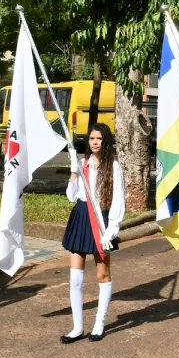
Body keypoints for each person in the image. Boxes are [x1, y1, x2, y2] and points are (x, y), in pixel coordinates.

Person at [61, 123, 126, 344]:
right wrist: (73, 173)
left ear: (105, 141)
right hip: (80, 217)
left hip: (101, 220)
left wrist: (111, 229)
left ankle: (99, 324)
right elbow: (71, 196)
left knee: (102, 275)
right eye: (91, 139)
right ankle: (77, 327)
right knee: (75, 278)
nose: (95, 142)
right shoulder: (82, 164)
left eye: (98, 138)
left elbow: (118, 199)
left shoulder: (113, 166)